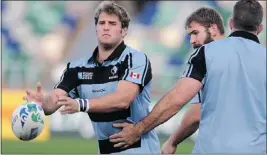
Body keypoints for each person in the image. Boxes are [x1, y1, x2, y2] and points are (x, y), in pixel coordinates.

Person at [109, 0, 266, 153]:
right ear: (259, 28)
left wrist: (139, 131)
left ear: (231, 24)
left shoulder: (207, 53)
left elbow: (178, 100)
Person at [23, 1, 160, 154]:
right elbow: (56, 98)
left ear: (124, 30)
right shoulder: (77, 68)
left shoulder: (136, 60)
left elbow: (123, 100)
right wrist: (44, 103)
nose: (106, 27)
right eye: (102, 23)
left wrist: (80, 104)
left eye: (112, 23)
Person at [161, 7, 225, 154]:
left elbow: (195, 115)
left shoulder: (206, 58)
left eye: (195, 33)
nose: (192, 41)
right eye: (190, 35)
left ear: (213, 29)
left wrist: (171, 142)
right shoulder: (248, 56)